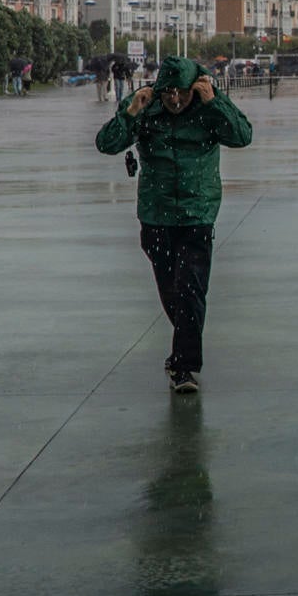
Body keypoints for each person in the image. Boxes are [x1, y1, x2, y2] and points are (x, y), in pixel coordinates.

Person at [95, 57, 253, 394]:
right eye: (168, 94)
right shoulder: (145, 107)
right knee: (171, 290)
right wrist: (131, 112)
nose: (175, 101)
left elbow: (242, 136)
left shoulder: (209, 108)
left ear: (196, 88)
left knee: (191, 290)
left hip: (198, 212)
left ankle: (184, 367)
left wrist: (216, 101)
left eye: (182, 93)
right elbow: (106, 144)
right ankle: (182, 352)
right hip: (157, 214)